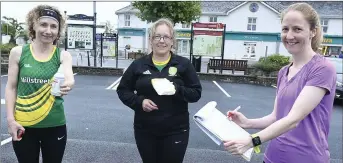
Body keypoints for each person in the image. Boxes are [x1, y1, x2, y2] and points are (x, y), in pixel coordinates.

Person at [223, 3, 337, 163]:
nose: (289, 36)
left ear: (312, 31)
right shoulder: (284, 71)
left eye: (297, 29)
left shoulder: (322, 69)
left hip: (307, 158)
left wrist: (252, 141)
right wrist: (247, 122)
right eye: (285, 29)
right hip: (273, 157)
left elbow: (293, 119)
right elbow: (277, 116)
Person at [116, 18, 202, 163]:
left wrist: (177, 89)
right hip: (145, 130)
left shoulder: (184, 65)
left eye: (166, 37)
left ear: (172, 40)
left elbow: (196, 93)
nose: (161, 41)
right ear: (151, 39)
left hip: (176, 130)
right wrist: (139, 101)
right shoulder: (139, 65)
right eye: (157, 36)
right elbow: (123, 90)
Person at [5, 5, 75, 163]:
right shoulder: (18, 52)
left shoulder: (62, 55)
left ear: (59, 30)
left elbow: (70, 78)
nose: (48, 31)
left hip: (55, 125)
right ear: (33, 26)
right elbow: (11, 87)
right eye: (43, 24)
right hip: (23, 125)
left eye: (53, 26)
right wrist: (10, 120)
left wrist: (68, 84)